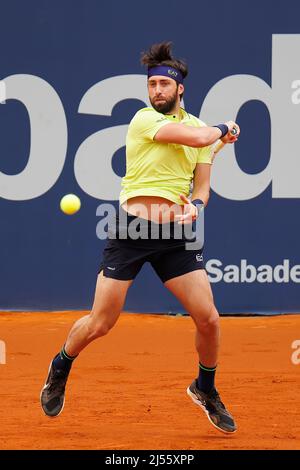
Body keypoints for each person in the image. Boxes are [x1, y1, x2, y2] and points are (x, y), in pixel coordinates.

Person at [40, 41, 240, 434]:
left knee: (210, 319)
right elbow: (200, 140)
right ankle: (61, 364)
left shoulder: (199, 128)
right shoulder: (144, 120)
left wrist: (194, 209)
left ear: (180, 88)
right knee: (101, 322)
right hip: (131, 232)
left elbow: (201, 188)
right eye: (152, 86)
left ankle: (205, 388)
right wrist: (224, 129)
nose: (157, 92)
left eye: (165, 85)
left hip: (177, 235)